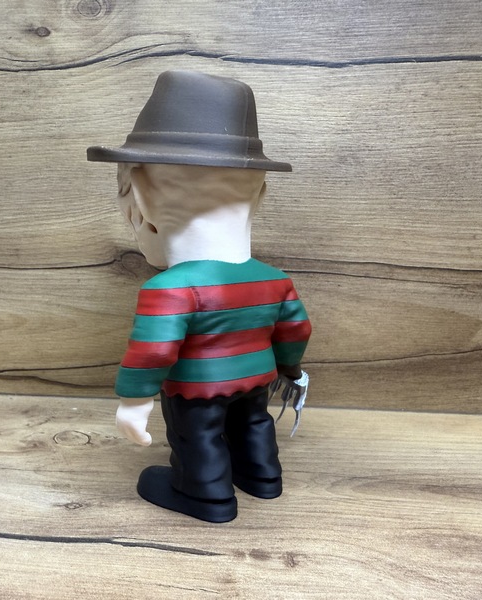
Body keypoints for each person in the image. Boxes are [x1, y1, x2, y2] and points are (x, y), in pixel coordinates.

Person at [87, 70, 311, 522]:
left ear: (142, 202)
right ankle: (263, 476)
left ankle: (204, 494)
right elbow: (296, 331)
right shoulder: (274, 279)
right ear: (260, 196)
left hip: (196, 388)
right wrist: (290, 370)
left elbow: (154, 352)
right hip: (258, 377)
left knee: (198, 435)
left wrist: (134, 401)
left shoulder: (170, 288)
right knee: (253, 421)